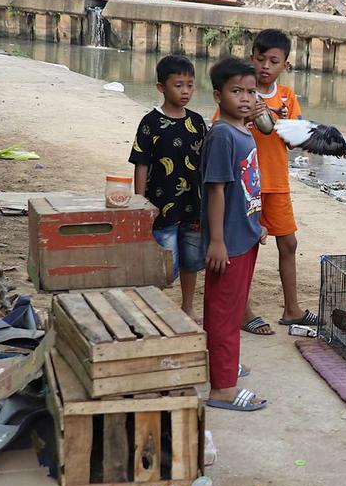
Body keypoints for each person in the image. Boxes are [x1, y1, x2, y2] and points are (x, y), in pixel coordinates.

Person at [215, 29, 315, 335]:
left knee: (289, 242)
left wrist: (272, 116)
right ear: (251, 59)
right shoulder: (240, 92)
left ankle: (291, 309)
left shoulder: (287, 97)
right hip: (245, 185)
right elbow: (220, 127)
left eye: (273, 61)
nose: (265, 66)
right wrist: (248, 114)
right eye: (260, 59)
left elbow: (295, 139)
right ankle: (243, 311)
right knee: (244, 247)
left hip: (276, 182)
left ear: (285, 64)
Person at [202, 58, 267, 412]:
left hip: (245, 235)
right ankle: (222, 389)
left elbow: (247, 187)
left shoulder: (244, 131)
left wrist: (257, 222)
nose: (245, 98)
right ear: (217, 95)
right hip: (227, 243)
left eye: (250, 91)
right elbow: (216, 190)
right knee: (224, 313)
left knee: (231, 308)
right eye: (236, 91)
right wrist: (216, 240)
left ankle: (222, 368)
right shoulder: (222, 135)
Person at [129, 55, 207, 319]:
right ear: (161, 87)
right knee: (164, 261)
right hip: (160, 206)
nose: (185, 91)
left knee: (191, 259)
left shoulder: (197, 123)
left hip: (193, 205)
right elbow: (141, 163)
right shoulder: (150, 122)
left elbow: (205, 163)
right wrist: (139, 202)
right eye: (178, 85)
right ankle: (156, 307)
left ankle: (187, 305)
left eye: (190, 85)